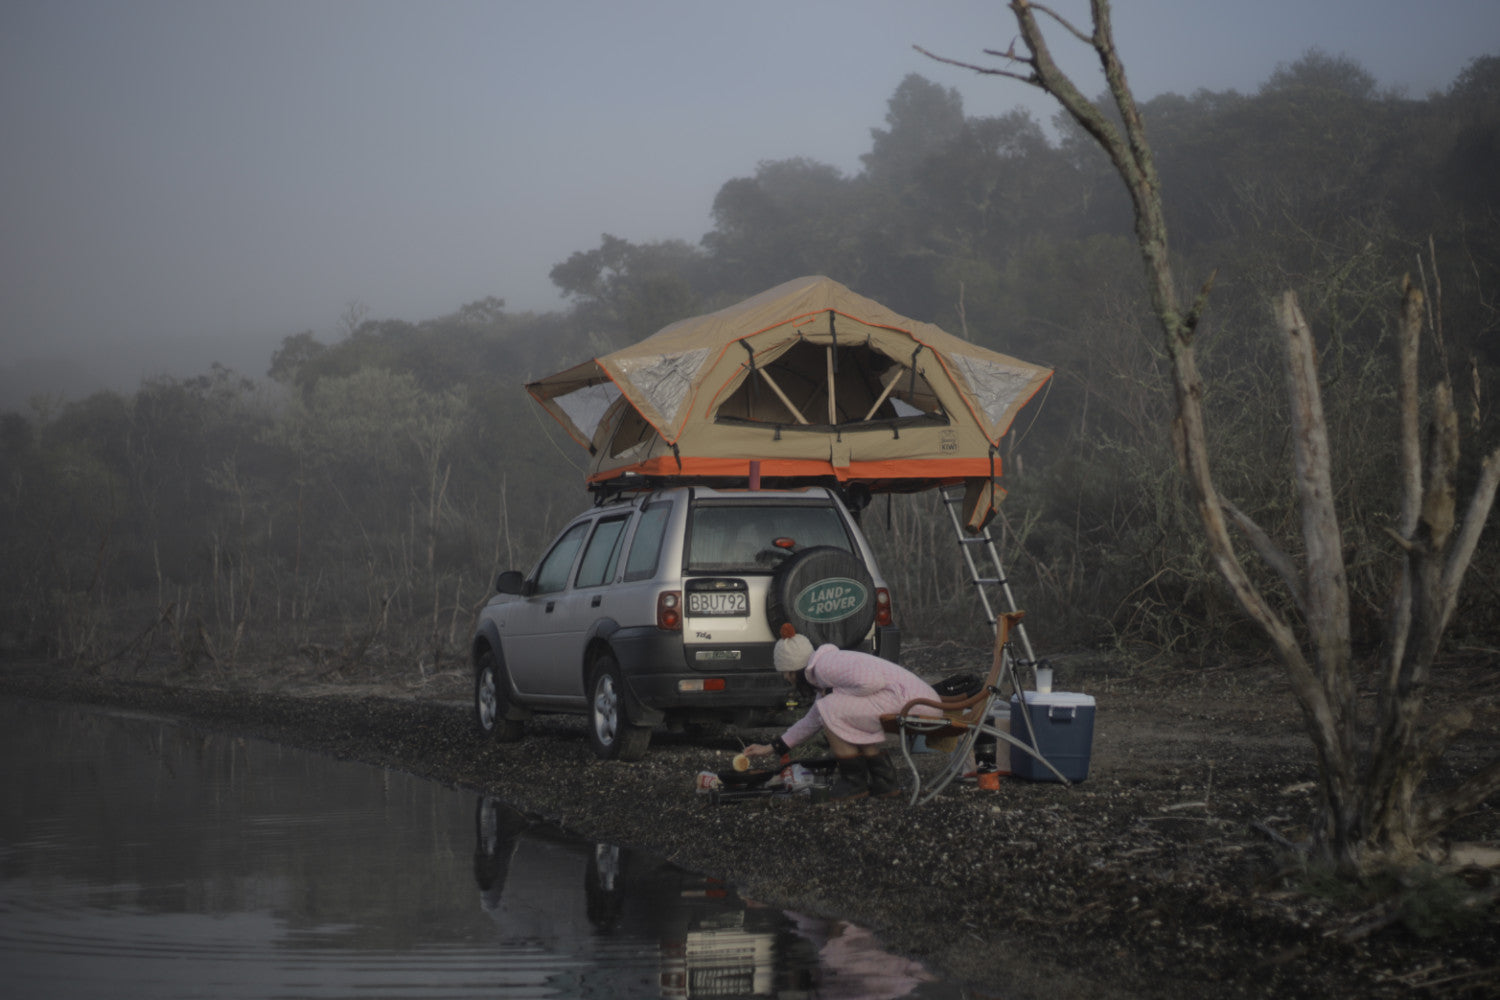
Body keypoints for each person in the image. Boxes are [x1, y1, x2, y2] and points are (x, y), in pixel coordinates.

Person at [743, 627, 942, 800]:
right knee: (835, 709)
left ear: (794, 668)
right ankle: (884, 783)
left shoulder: (826, 666)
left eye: (787, 673)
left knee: (831, 707)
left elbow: (872, 682)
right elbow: (811, 721)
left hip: (915, 706)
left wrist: (833, 693)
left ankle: (853, 783)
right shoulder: (826, 669)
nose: (788, 679)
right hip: (914, 702)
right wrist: (772, 747)